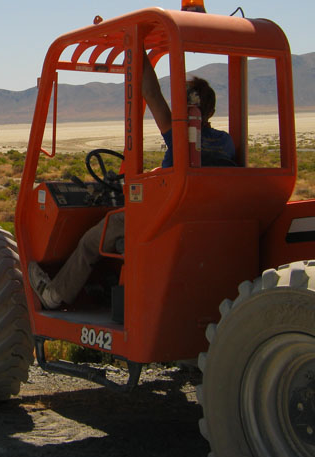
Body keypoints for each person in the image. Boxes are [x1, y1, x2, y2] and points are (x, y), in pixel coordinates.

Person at [29, 52, 235, 310]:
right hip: (202, 217)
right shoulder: (226, 143)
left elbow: (151, 93)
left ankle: (54, 295)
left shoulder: (180, 136)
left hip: (162, 218)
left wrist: (138, 50)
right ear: (212, 111)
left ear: (183, 108)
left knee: (92, 241)